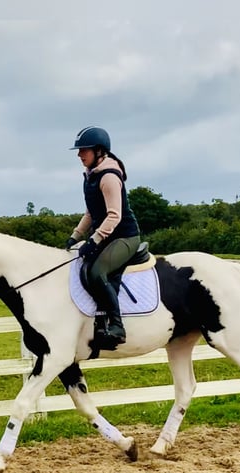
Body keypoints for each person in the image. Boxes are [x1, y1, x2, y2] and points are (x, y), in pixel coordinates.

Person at [65, 126, 141, 346]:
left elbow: (114, 216)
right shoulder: (90, 176)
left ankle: (117, 326)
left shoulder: (108, 176)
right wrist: (75, 236)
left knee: (97, 272)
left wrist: (93, 240)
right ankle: (97, 321)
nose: (80, 155)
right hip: (107, 237)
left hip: (125, 237)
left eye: (84, 150)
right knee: (81, 266)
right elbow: (91, 213)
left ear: (99, 151)